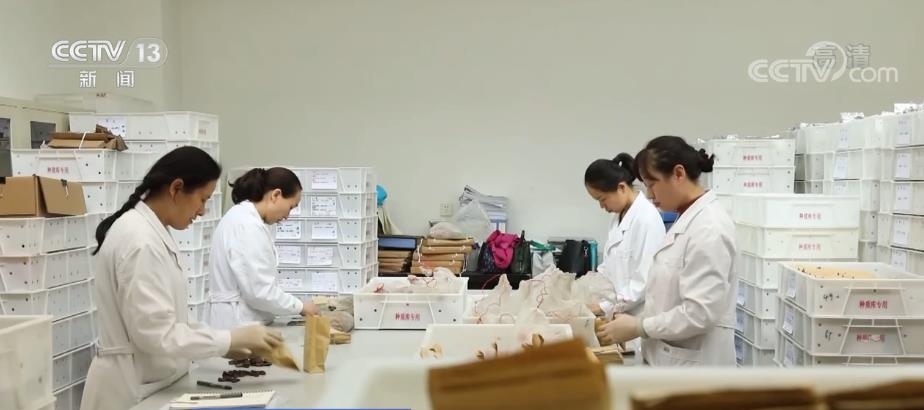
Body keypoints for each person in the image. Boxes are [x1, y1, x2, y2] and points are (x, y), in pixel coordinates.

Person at [81, 147, 283, 410]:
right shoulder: (140, 241)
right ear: (176, 188)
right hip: (128, 389)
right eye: (202, 199)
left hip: (151, 379)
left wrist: (225, 342)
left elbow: (172, 320)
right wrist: (227, 340)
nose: (203, 211)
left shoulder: (151, 232)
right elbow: (157, 334)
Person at [596, 136, 737, 366]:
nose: (649, 195)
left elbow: (700, 313)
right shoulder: (687, 220)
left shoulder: (709, 229)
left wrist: (639, 326)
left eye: (652, 184)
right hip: (669, 359)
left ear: (678, 174)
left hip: (697, 368)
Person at [206, 167, 319, 329]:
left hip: (236, 319)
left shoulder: (242, 218)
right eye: (291, 207)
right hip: (237, 323)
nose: (287, 216)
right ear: (276, 195)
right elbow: (260, 291)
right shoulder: (247, 225)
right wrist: (300, 307)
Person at [584, 153, 666, 319]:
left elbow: (645, 280)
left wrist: (604, 306)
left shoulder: (647, 219)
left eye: (602, 199)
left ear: (621, 188)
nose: (602, 206)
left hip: (639, 316)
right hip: (619, 313)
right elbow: (611, 265)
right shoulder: (617, 218)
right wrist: (588, 287)